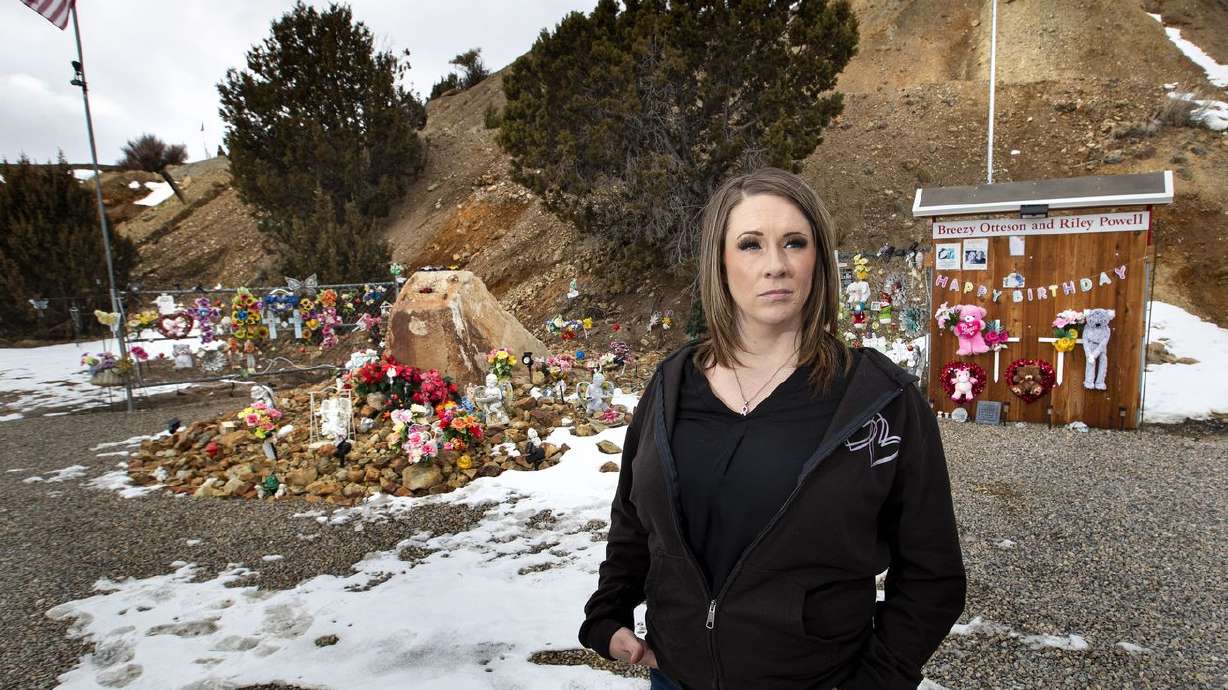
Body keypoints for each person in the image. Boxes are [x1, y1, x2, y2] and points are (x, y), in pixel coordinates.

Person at [579, 168, 965, 690]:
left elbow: (932, 572)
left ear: (818, 260)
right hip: (675, 677)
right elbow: (634, 516)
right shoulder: (672, 384)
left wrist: (878, 680)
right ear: (721, 261)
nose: (776, 266)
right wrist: (609, 609)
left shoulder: (879, 398)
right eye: (751, 245)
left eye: (794, 243)